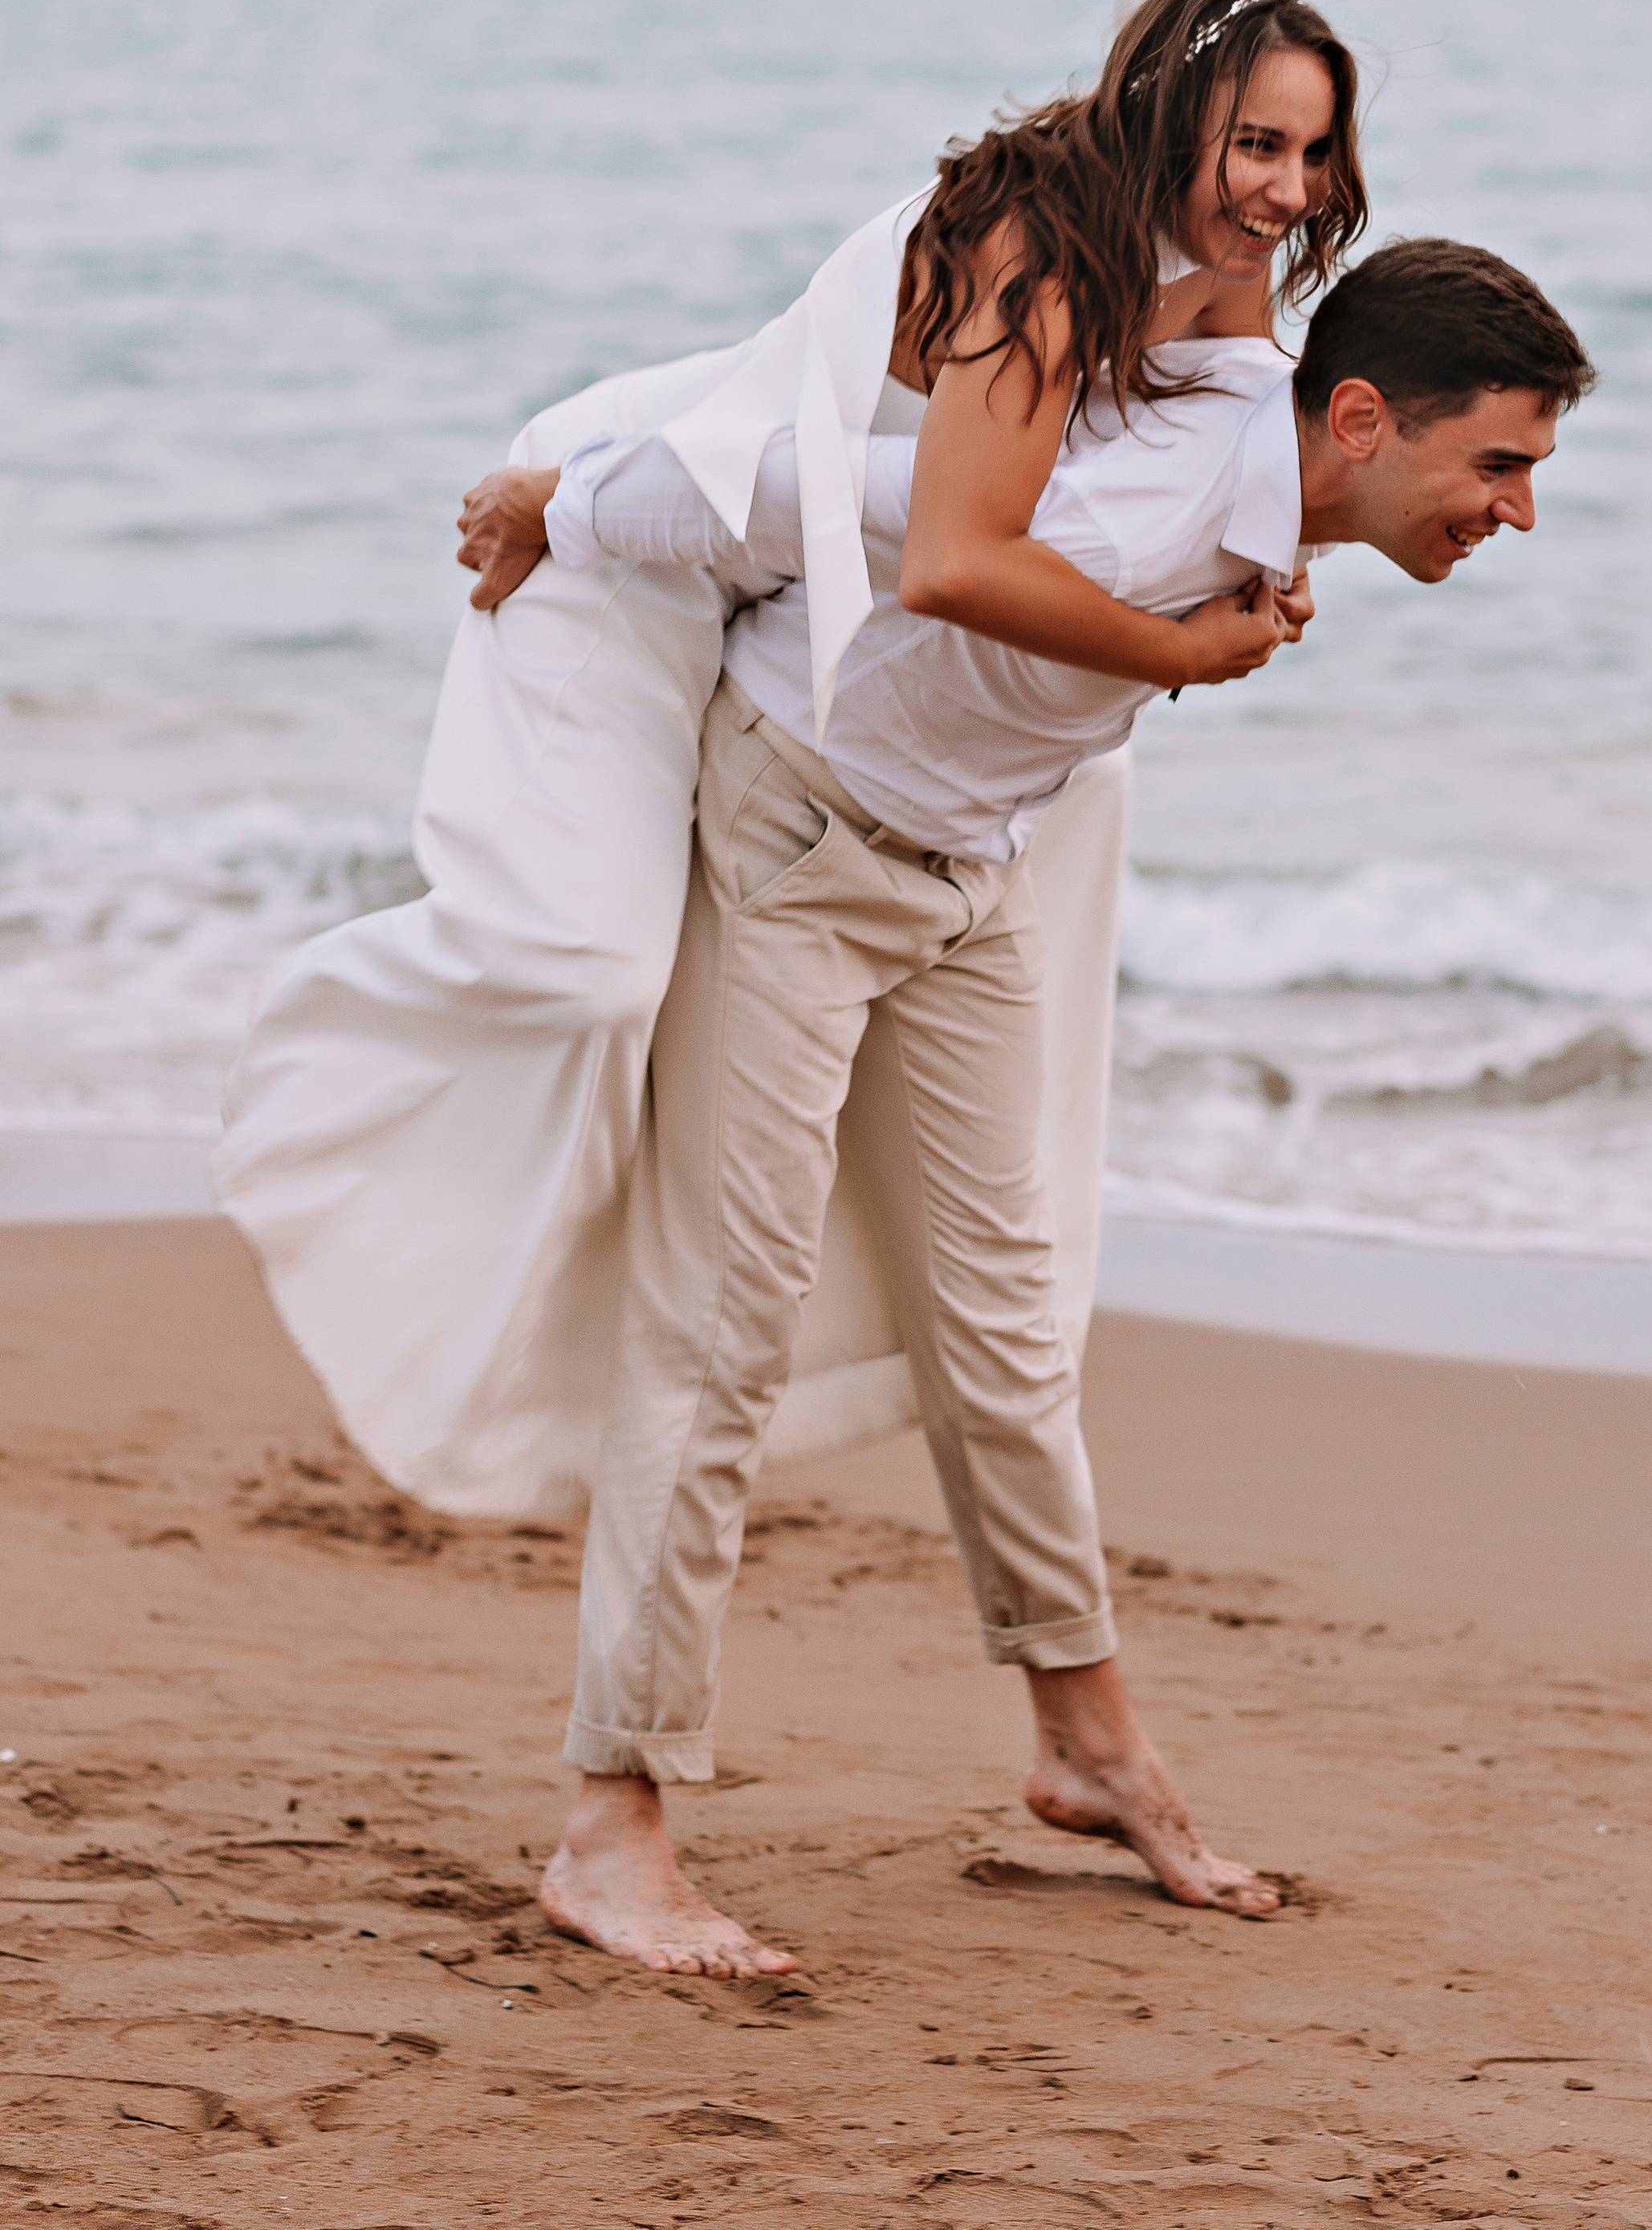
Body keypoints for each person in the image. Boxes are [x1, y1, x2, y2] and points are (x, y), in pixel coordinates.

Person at [511, 234, 1596, 1976]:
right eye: (1500, 465)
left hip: (966, 873)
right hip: (802, 844)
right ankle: (609, 1826)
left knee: (1008, 1324)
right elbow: (803, 487)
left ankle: (1086, 1748)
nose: (1517, 511)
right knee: (723, 1323)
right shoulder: (1143, 505)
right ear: (1363, 421)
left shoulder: (1261, 455)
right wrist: (557, 504)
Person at [214, 0, 1364, 1518]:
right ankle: (339, 1096)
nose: (1289, 192)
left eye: (1313, 152)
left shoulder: (1221, 265)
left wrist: (1282, 547)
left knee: (1080, 798)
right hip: (653, 504)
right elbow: (844, 509)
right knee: (590, 966)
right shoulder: (1041, 257)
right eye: (1256, 147)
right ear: (1170, 120)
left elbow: (1233, 424)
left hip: (821, 560)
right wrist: (561, 501)